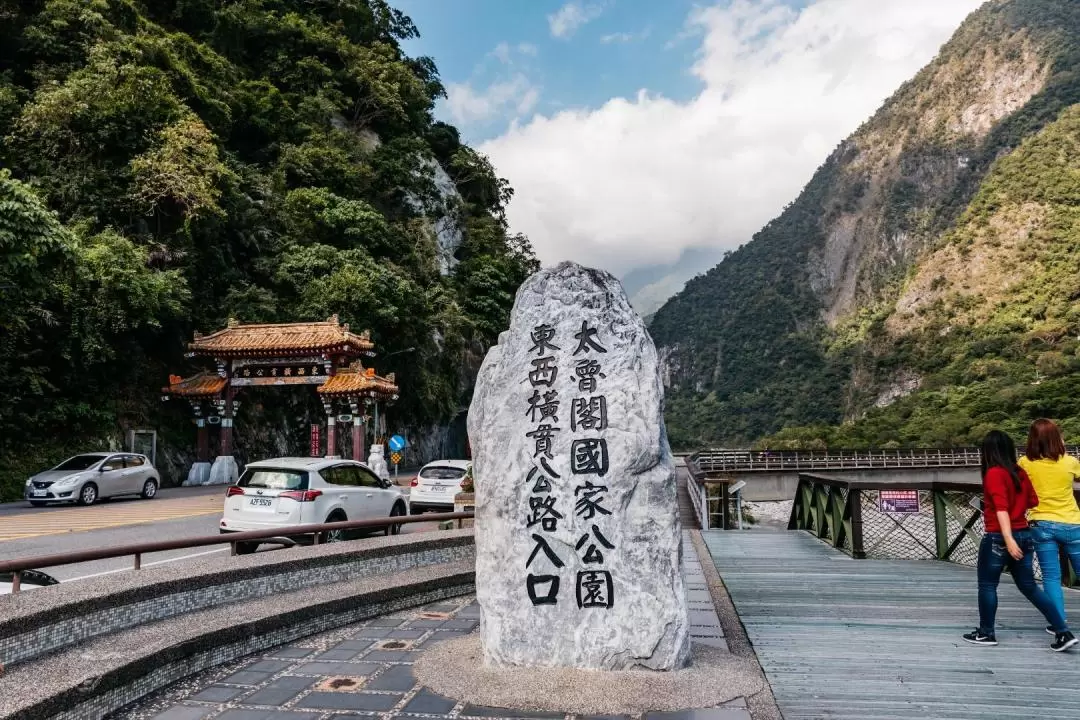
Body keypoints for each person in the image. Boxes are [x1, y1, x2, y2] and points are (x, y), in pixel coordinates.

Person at [963, 430, 1075, 651]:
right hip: (1024, 533)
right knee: (1030, 587)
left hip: (1000, 536)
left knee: (987, 585)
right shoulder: (1019, 472)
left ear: (988, 451)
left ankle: (987, 633)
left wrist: (1008, 538)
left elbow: (1002, 509)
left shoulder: (994, 473)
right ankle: (1063, 631)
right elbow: (1032, 501)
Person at [1021, 418, 1080, 642]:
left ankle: (1059, 623)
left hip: (1041, 523)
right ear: (1058, 437)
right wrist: (1062, 449)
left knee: (1051, 577)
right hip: (1073, 522)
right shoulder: (1070, 461)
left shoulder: (1026, 462)